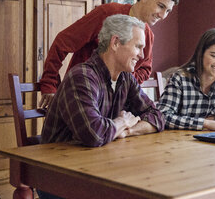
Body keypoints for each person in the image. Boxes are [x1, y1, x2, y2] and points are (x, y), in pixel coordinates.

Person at [39, 0, 180, 108]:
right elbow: (63, 42)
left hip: (112, 105)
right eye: (160, 6)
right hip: (81, 96)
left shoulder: (148, 35)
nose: (163, 16)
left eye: (168, 11)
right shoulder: (107, 14)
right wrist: (49, 83)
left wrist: (121, 82)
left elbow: (145, 69)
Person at [41, 14, 165, 148]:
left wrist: (127, 130)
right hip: (58, 163)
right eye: (138, 47)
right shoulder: (81, 77)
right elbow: (94, 135)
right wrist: (123, 121)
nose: (142, 55)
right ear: (115, 43)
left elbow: (157, 117)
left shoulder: (126, 78)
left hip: (98, 159)